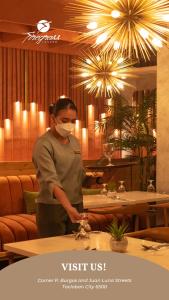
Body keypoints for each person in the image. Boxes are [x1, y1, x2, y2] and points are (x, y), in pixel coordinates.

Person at [32, 97, 84, 238]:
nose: (69, 125)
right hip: (52, 208)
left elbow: (77, 173)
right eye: (64, 120)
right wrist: (68, 207)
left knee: (76, 253)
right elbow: (51, 180)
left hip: (76, 204)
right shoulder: (43, 144)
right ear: (53, 118)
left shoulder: (75, 142)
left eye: (73, 121)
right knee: (53, 256)